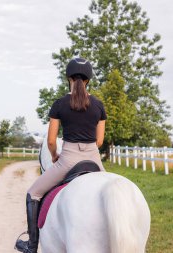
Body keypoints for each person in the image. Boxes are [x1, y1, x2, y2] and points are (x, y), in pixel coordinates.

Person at [14, 57, 107, 253]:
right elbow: (99, 142)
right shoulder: (98, 106)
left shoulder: (59, 104)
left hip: (69, 159)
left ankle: (31, 246)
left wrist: (55, 156)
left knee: (33, 193)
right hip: (94, 160)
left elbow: (50, 140)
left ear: (69, 79)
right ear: (88, 80)